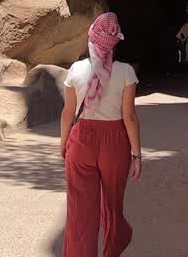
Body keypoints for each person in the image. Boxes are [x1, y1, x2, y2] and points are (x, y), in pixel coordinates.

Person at [60, 13, 142, 256]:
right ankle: (112, 246)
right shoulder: (126, 72)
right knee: (112, 204)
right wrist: (136, 156)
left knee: (80, 211)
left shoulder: (76, 70)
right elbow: (129, 117)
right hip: (115, 141)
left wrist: (64, 144)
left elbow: (67, 112)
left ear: (91, 38)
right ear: (115, 42)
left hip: (81, 139)